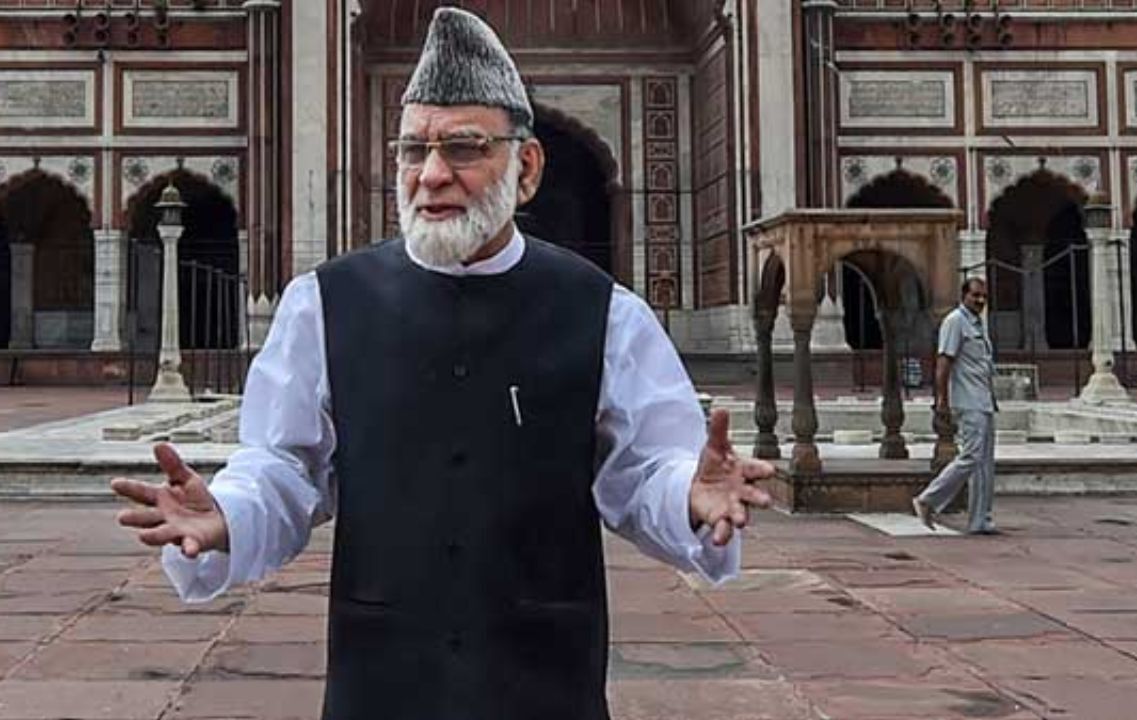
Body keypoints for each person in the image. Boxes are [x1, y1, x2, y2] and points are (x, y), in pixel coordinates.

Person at [110, 7, 774, 720]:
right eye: (412, 150)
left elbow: (643, 471)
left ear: (525, 167)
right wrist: (228, 514)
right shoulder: (325, 305)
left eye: (463, 148)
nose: (430, 175)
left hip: (543, 679)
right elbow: (283, 468)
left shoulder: (603, 313)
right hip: (383, 679)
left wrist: (688, 496)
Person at [913, 277, 998, 534]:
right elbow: (943, 363)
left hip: (984, 400)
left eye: (984, 296)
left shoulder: (978, 324)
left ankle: (980, 519)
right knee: (971, 456)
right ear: (964, 296)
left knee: (984, 463)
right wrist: (942, 401)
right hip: (968, 401)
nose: (980, 300)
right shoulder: (955, 321)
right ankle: (928, 499)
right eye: (975, 295)